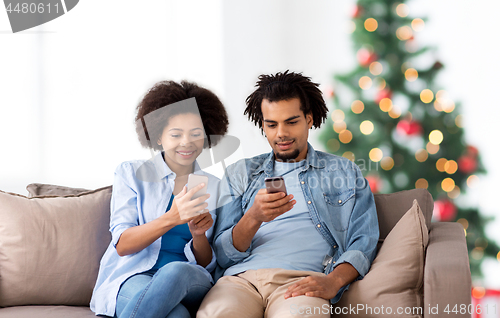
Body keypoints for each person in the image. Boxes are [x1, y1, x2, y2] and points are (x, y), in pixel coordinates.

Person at [197, 71, 379, 318]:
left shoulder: (344, 171)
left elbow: (364, 240)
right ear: (263, 125)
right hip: (240, 282)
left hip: (301, 282)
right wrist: (253, 217)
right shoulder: (240, 173)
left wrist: (333, 281)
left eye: (291, 122)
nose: (280, 133)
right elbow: (222, 255)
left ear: (309, 119)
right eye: (271, 124)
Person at [90, 80, 229, 318]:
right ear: (158, 137)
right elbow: (123, 245)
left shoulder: (214, 185)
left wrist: (198, 236)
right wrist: (172, 217)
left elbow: (206, 263)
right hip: (134, 276)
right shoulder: (131, 174)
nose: (187, 142)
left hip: (189, 280)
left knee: (176, 271)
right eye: (176, 134)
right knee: (178, 316)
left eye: (196, 134)